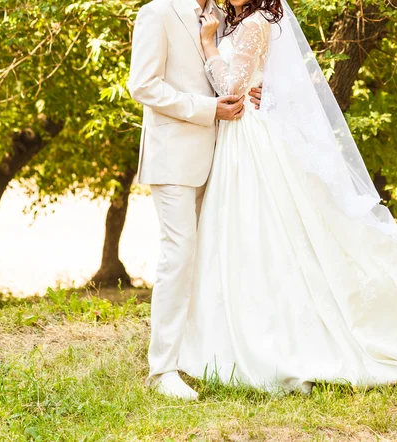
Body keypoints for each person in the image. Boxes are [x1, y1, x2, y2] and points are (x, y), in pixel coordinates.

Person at [176, 0, 397, 397]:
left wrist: (210, 45)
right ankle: (235, 329)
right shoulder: (236, 21)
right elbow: (251, 84)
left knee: (279, 233)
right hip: (239, 139)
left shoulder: (255, 22)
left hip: (250, 140)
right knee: (250, 238)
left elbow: (231, 90)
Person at [127, 0, 263, 399]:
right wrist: (209, 109)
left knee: (206, 256)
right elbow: (143, 85)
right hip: (173, 156)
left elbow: (228, 74)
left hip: (220, 156)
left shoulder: (222, 15)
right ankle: (163, 369)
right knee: (179, 254)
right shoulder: (157, 11)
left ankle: (197, 352)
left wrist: (254, 89)